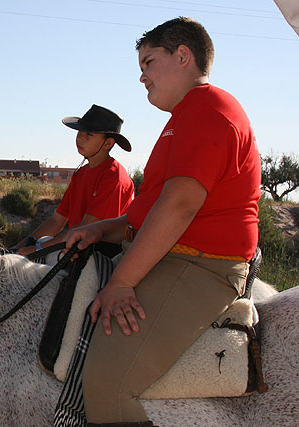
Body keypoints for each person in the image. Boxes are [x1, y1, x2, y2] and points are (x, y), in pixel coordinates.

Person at [63, 17, 261, 426]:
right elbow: (150, 210)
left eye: (149, 62)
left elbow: (180, 206)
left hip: (201, 265)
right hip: (171, 255)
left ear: (183, 56)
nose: (142, 76)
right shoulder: (185, 118)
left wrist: (121, 283)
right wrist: (103, 228)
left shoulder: (210, 111)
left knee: (107, 382)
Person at [14, 104, 134, 260]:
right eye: (80, 131)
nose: (80, 137)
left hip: (105, 254)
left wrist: (37, 249)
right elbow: (57, 220)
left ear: (108, 143)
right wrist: (20, 246)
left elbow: (89, 225)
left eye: (89, 134)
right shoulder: (80, 174)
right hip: (77, 246)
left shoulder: (114, 176)